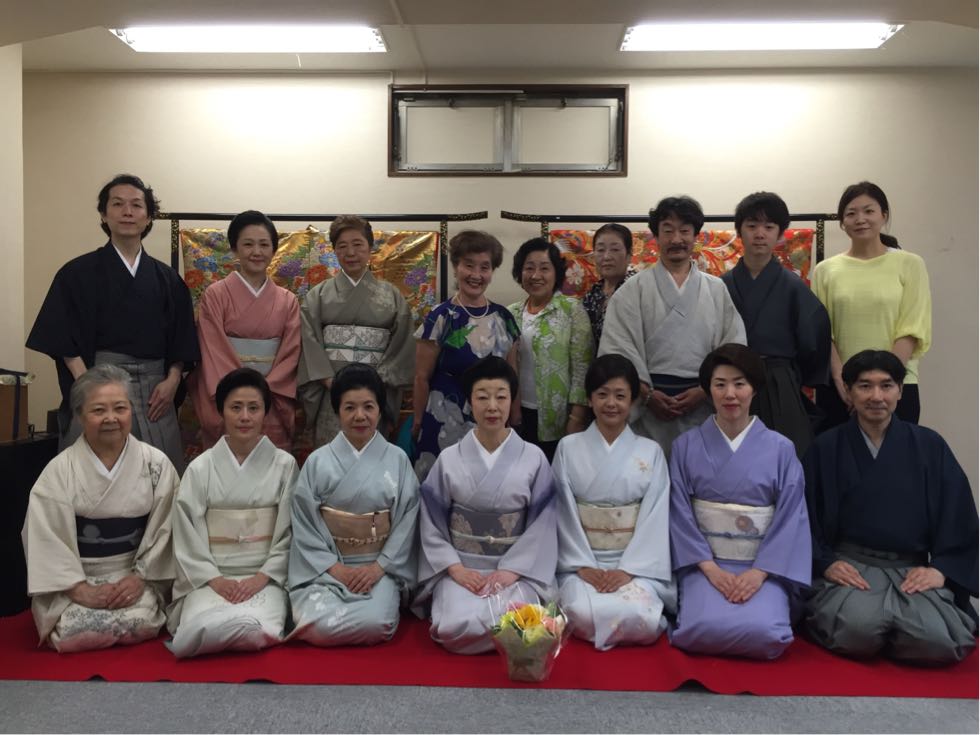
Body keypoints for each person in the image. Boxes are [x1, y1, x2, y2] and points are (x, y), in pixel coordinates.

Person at [804, 350, 977, 665]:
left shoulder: (930, 447)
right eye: (864, 386)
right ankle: (886, 628)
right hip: (851, 566)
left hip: (911, 570)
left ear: (900, 390)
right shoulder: (826, 447)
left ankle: (893, 629)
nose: (876, 396)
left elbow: (958, 515)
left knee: (938, 641)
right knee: (857, 631)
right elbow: (803, 517)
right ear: (849, 391)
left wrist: (940, 570)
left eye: (886, 385)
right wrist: (825, 562)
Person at [26, 174, 199, 472]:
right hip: (95, 381)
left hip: (154, 391)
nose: (127, 212)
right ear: (104, 215)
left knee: (160, 475)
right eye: (117, 204)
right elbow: (61, 335)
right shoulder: (76, 273)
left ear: (148, 217)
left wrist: (172, 381)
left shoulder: (167, 279)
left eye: (136, 205)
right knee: (87, 474)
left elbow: (182, 339)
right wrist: (86, 384)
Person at [21, 364, 178, 652]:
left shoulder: (155, 464)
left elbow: (166, 527)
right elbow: (45, 534)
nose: (111, 418)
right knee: (74, 630)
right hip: (76, 577)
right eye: (98, 410)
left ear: (131, 410)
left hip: (134, 572)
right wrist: (79, 589)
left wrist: (140, 578)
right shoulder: (60, 470)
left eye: (120, 408)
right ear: (80, 415)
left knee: (142, 621)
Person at [669, 344, 811, 659]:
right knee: (701, 628)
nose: (730, 394)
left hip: (763, 565)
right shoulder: (685, 446)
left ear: (754, 389)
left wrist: (760, 572)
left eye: (739, 384)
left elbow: (791, 517)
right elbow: (678, 513)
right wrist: (710, 569)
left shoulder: (781, 449)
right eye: (720, 384)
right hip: (704, 563)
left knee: (767, 633)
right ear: (708, 390)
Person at [415, 357, 557, 654]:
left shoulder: (533, 458)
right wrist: (455, 569)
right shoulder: (449, 458)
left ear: (512, 401)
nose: (492, 406)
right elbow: (431, 522)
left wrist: (511, 571)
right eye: (482, 397)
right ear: (470, 402)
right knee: (455, 627)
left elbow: (542, 525)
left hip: (515, 569)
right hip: (462, 568)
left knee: (520, 623)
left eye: (501, 397)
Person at [599, 196, 746, 459]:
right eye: (668, 231)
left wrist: (704, 391)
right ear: (656, 236)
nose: (676, 239)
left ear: (695, 236)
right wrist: (647, 395)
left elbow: (733, 348)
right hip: (648, 406)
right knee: (649, 473)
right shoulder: (632, 291)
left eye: (684, 231)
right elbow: (617, 349)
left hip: (702, 405)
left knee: (698, 475)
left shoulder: (716, 289)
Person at [167, 368, 297, 658]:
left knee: (260, 625)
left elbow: (289, 531)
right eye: (235, 408)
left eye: (254, 408)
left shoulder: (285, 465)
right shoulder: (200, 468)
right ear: (221, 411)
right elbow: (187, 532)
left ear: (265, 412)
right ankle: (209, 631)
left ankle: (209, 638)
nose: (245, 417)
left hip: (264, 577)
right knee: (200, 621)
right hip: (211, 577)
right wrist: (215, 579)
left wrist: (262, 577)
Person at [288, 364, 419, 646]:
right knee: (313, 621)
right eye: (350, 408)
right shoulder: (317, 462)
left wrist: (378, 568)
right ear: (337, 412)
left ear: (380, 410)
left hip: (379, 568)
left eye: (368, 407)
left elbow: (407, 522)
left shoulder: (397, 459)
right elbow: (305, 523)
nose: (360, 416)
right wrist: (335, 569)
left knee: (377, 623)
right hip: (327, 569)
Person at [553, 354, 675, 651]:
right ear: (589, 399)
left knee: (639, 614)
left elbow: (655, 515)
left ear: (632, 400)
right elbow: (562, 512)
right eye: (602, 394)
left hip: (635, 564)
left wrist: (629, 569)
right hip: (582, 561)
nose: (611, 403)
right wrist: (582, 566)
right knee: (582, 613)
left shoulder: (651, 451)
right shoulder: (568, 448)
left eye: (620, 396)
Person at [811, 182, 931, 428]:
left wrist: (880, 385)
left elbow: (912, 327)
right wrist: (844, 381)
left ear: (883, 215)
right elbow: (821, 332)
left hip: (897, 386)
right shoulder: (825, 270)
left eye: (869, 211)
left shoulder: (910, 264)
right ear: (842, 222)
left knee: (896, 453)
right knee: (838, 452)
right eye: (851, 213)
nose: (860, 219)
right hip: (840, 389)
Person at [722, 192, 830, 458]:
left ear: (780, 234)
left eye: (769, 227)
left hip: (778, 382)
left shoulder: (793, 287)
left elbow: (814, 340)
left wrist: (790, 375)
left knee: (785, 457)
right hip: (730, 382)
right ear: (739, 231)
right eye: (752, 226)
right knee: (730, 455)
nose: (760, 234)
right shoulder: (721, 285)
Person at [297, 215, 415, 448]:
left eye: (358, 244)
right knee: (331, 455)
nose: (350, 252)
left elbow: (402, 346)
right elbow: (309, 343)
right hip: (332, 391)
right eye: (342, 246)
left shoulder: (391, 296)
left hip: (374, 392)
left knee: (372, 455)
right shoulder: (317, 296)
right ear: (334, 251)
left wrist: (374, 384)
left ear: (370, 247)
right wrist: (332, 382)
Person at [188, 210, 301, 451]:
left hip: (271, 398)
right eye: (248, 244)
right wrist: (240, 396)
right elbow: (212, 350)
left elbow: (290, 354)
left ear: (274, 250)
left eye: (264, 245)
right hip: (228, 396)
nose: (256, 252)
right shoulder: (215, 295)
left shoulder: (288, 300)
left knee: (271, 465)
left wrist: (263, 394)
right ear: (234, 249)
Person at [412, 230, 521, 481]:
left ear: (492, 271)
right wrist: (418, 421)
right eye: (469, 265)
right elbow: (421, 377)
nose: (476, 274)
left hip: (493, 414)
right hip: (444, 415)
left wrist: (515, 416)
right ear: (455, 267)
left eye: (485, 267)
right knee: (442, 483)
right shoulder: (440, 317)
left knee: (488, 482)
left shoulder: (504, 318)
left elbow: (512, 373)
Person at [508, 237, 593, 462]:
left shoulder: (572, 310)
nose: (536, 275)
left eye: (544, 268)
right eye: (529, 268)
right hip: (516, 413)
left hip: (559, 418)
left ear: (556, 273)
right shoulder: (511, 313)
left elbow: (582, 368)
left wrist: (577, 418)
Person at [581, 223, 638, 345]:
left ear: (629, 254)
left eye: (615, 249)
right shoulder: (592, 293)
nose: (606, 257)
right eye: (600, 250)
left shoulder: (638, 288)